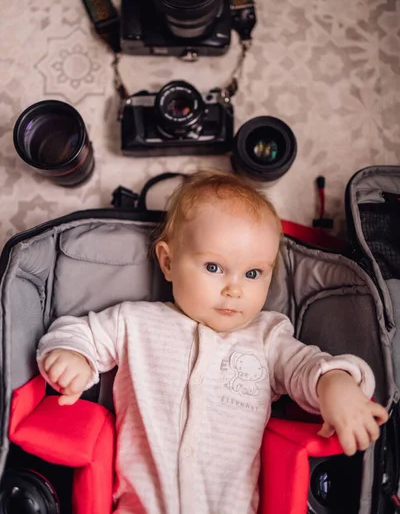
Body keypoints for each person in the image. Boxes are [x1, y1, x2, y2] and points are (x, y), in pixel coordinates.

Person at [37, 170, 388, 514]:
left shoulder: (267, 337)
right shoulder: (135, 321)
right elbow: (78, 332)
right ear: (168, 262)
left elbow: (307, 367)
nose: (234, 289)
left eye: (253, 274)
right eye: (214, 268)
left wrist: (336, 384)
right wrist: (73, 356)